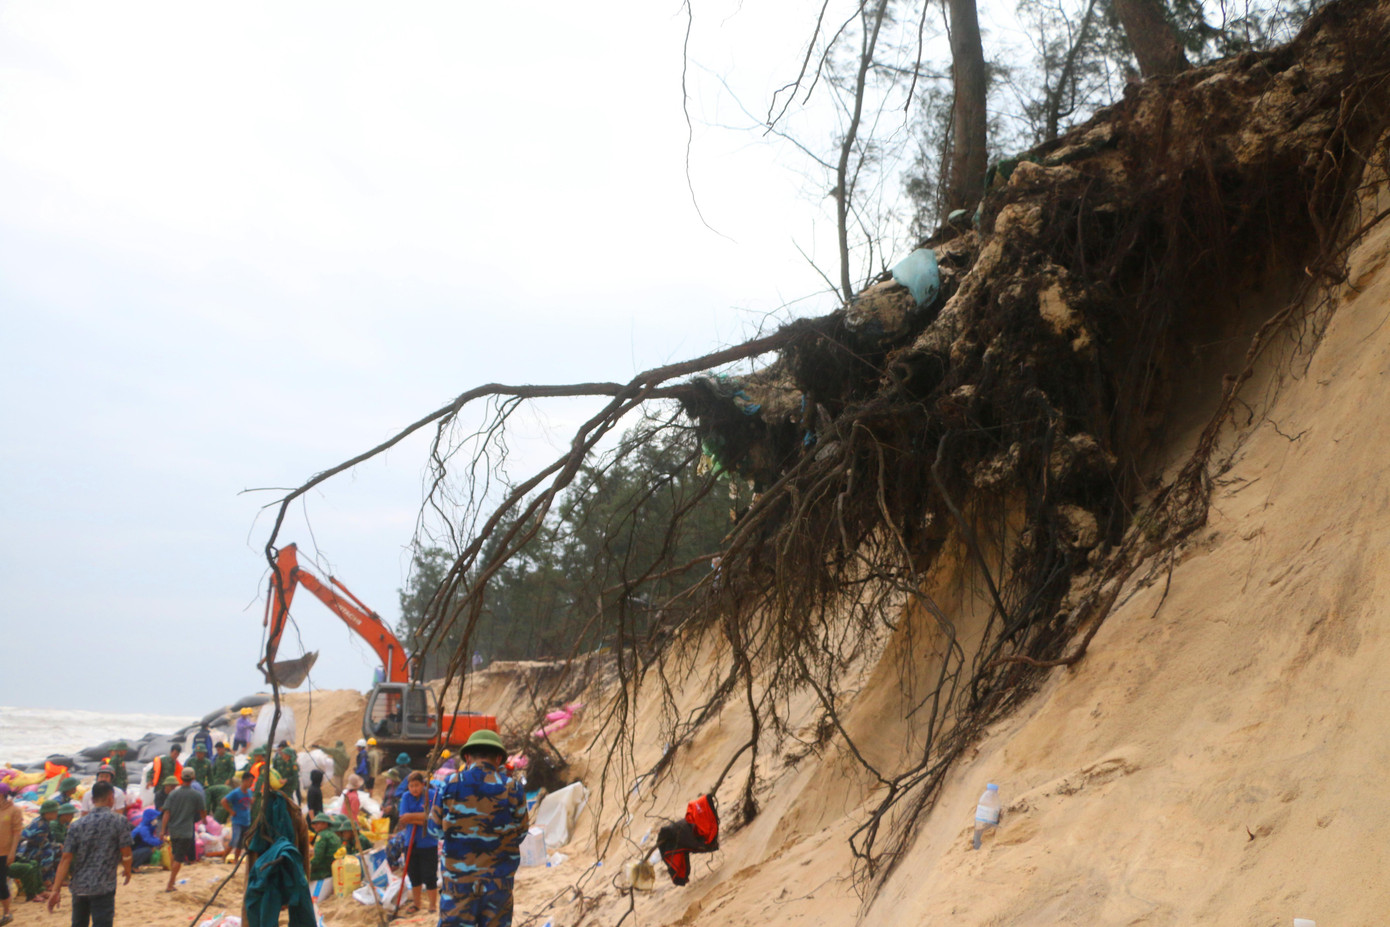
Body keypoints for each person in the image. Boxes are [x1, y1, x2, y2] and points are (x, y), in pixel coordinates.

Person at [429, 730, 528, 927]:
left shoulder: (450, 784)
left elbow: (435, 830)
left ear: (467, 757)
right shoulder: (513, 788)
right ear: (499, 758)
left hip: (459, 885)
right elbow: (521, 833)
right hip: (498, 886)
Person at [46, 781, 133, 927]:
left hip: (79, 886)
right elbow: (126, 853)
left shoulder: (76, 825)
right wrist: (128, 870)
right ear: (111, 798)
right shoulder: (119, 821)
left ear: (92, 800)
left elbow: (65, 859)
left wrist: (55, 890)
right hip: (103, 886)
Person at [397, 771, 438, 916]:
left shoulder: (431, 794)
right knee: (414, 874)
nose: (414, 789)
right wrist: (422, 819)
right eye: (411, 786)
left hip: (428, 842)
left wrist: (412, 817)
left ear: (422, 785)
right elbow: (403, 819)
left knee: (429, 875)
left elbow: (434, 817)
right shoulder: (406, 797)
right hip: (411, 841)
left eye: (417, 785)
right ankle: (416, 904)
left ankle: (433, 905)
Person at [159, 768, 206, 893]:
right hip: (186, 831)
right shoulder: (196, 794)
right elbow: (202, 810)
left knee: (175, 854)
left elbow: (166, 813)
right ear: (193, 778)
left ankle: (172, 881)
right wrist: (205, 820)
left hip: (174, 830)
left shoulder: (173, 794)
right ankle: (170, 884)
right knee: (179, 859)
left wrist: (163, 830)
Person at [6, 800, 60, 901]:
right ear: (47, 813)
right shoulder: (41, 825)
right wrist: (55, 846)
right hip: (25, 851)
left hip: (22, 851)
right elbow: (38, 842)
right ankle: (43, 885)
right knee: (47, 855)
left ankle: (40, 890)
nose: (57, 814)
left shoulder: (45, 823)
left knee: (35, 863)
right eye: (54, 812)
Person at [220, 772, 255, 866]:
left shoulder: (250, 792)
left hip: (246, 820)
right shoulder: (236, 792)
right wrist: (231, 811)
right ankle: (223, 857)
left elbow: (250, 802)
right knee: (235, 839)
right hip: (237, 821)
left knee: (241, 842)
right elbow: (223, 801)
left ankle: (236, 860)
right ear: (244, 781)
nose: (251, 783)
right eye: (250, 781)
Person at [0, 782, 22, 926]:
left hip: (4, 852)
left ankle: (7, 912)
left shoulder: (14, 810)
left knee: (1, 883)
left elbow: (16, 833)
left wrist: (12, 852)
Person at [307, 814, 341, 881]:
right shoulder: (333, 834)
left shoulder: (322, 835)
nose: (314, 826)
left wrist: (307, 869)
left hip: (324, 871)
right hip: (334, 868)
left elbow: (317, 858)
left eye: (317, 823)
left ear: (325, 823)